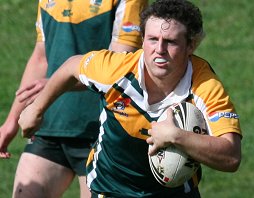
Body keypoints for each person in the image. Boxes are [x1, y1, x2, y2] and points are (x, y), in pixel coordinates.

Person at [18, 0, 242, 197]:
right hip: (111, 189)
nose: (159, 50)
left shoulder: (205, 86)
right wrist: (36, 109)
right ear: (142, 39)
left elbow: (231, 157)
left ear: (190, 45)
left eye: (171, 42)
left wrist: (177, 137)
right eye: (153, 39)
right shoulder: (117, 70)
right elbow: (72, 66)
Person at [0, 0, 148, 197]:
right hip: (49, 125)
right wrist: (11, 121)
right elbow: (40, 58)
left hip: (102, 133)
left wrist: (56, 82)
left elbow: (116, 68)